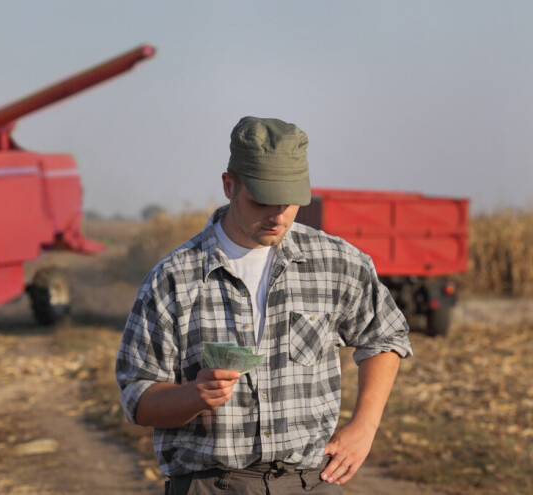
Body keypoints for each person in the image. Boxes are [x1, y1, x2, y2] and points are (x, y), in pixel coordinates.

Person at [115, 117, 412, 495]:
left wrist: (365, 427)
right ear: (229, 185)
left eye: (288, 203)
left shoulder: (338, 262)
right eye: (261, 201)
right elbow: (136, 398)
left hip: (312, 483)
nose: (277, 216)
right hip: (212, 485)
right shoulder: (172, 279)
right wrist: (193, 396)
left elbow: (386, 335)